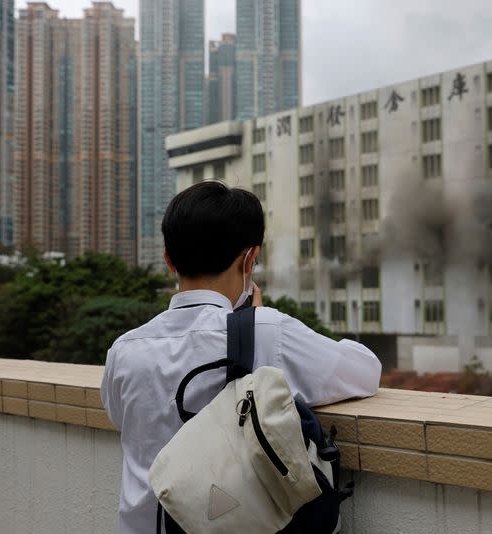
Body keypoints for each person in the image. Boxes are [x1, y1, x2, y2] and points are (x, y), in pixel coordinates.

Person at [101, 181, 382, 534]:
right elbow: (365, 372)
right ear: (250, 258)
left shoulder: (125, 349)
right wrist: (255, 321)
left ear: (169, 259)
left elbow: (119, 416)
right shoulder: (266, 331)